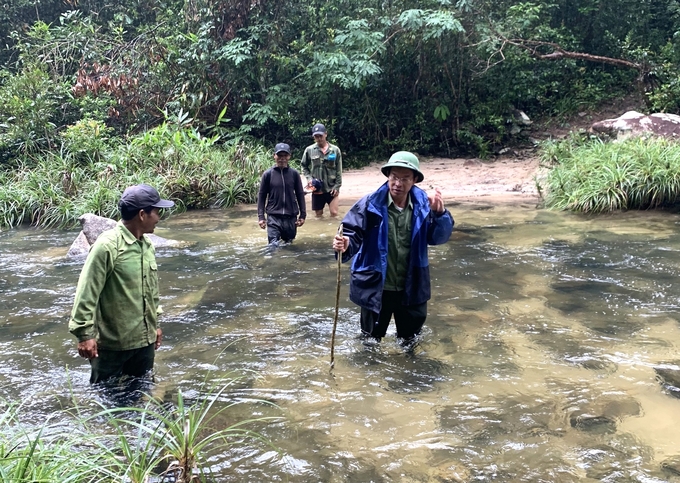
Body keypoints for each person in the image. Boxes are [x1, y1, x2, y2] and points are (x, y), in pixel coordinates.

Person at [332, 151, 454, 345]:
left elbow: (438, 238)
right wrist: (345, 243)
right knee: (370, 342)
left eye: (405, 178)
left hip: (411, 283)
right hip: (377, 284)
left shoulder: (425, 205)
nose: (398, 183)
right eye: (394, 177)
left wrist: (440, 214)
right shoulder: (369, 203)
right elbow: (351, 231)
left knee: (411, 342)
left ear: (415, 180)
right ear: (388, 177)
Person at [68, 184, 174, 384]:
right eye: (157, 212)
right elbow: (87, 291)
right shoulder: (107, 246)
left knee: (142, 397)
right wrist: (84, 335)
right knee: (108, 402)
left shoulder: (146, 244)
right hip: (112, 346)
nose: (159, 218)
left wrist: (156, 325)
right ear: (142, 215)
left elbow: (151, 290)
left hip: (144, 343)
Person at [258, 143, 306, 244]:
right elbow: (261, 196)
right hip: (273, 217)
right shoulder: (268, 174)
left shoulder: (294, 174)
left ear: (289, 156)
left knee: (288, 246)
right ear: (274, 156)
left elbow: (300, 194)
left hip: (290, 217)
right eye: (280, 155)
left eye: (285, 155)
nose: (282, 158)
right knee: (273, 246)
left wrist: (303, 215)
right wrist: (261, 217)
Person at [300, 123, 343, 217]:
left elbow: (339, 170)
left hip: (331, 187)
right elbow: (303, 166)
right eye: (316, 136)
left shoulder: (335, 150)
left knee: (334, 214)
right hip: (317, 189)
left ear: (326, 134)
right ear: (313, 137)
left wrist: (337, 186)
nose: (319, 138)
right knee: (318, 216)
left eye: (320, 136)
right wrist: (309, 179)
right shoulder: (309, 150)